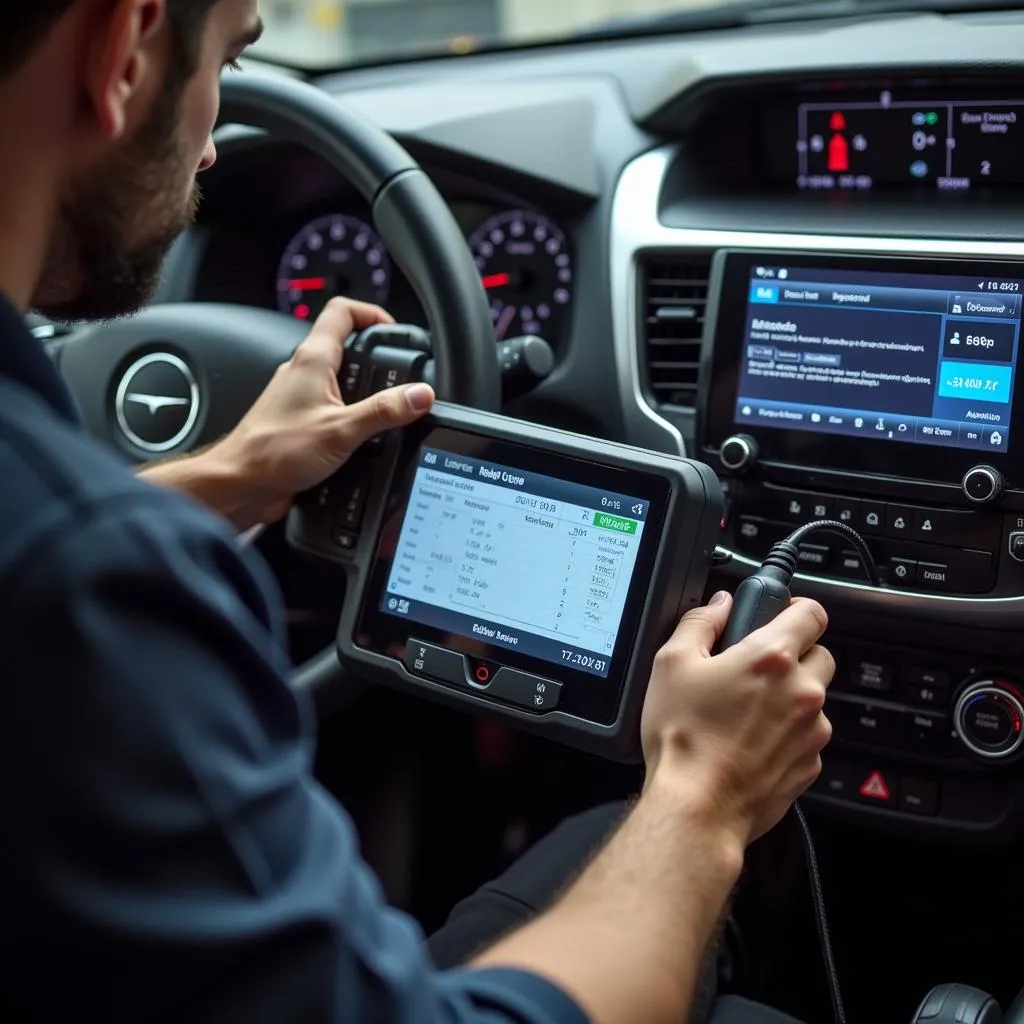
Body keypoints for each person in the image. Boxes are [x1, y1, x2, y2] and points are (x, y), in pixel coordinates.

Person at [0, 1, 835, 1021]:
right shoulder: (91, 588)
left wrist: (226, 477)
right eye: (226, 57)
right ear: (124, 48)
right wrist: (704, 797)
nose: (216, 142)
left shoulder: (62, 547)